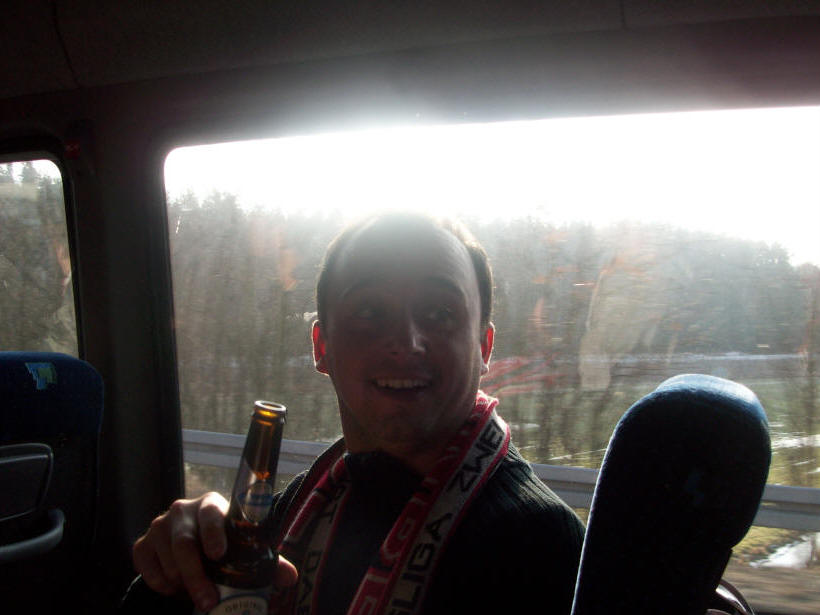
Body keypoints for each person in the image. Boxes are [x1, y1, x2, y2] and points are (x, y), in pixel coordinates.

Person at [126, 212, 585, 614]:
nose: (405, 342)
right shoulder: (299, 505)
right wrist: (184, 560)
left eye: (440, 312)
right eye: (368, 311)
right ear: (322, 347)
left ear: (483, 347)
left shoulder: (543, 546)